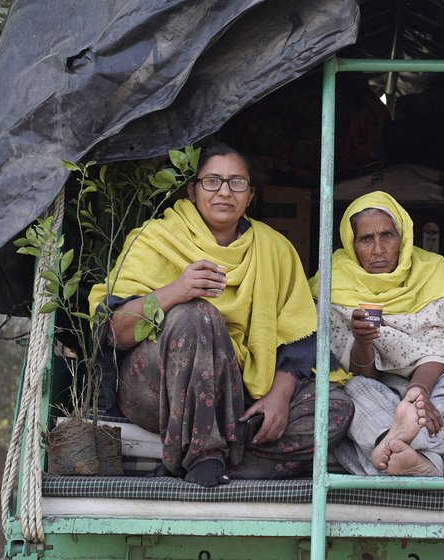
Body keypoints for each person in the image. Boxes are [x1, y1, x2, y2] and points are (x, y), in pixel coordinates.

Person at [88, 142, 353, 487]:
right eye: (212, 181)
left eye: (237, 182)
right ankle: (203, 454)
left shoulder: (275, 249)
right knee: (197, 316)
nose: (224, 192)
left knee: (335, 408)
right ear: (192, 189)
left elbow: (299, 339)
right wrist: (175, 291)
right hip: (160, 393)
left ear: (251, 194)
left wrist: (280, 396)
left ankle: (205, 465)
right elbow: (115, 332)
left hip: (238, 398)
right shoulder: (156, 238)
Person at [311, 191, 444, 476]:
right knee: (347, 393)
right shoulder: (332, 279)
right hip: (375, 389)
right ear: (351, 244)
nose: (378, 249)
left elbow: (442, 348)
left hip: (429, 385)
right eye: (366, 239)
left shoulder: (430, 270)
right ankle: (420, 458)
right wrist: (362, 342)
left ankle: (389, 443)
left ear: (402, 237)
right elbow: (356, 374)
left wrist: (418, 393)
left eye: (387, 235)